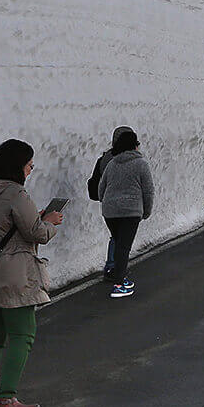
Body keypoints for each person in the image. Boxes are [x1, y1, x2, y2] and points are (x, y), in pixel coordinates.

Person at [0, 139, 63, 407]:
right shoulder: (16, 194)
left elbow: (5, 228)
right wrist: (51, 222)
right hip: (15, 276)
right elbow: (38, 234)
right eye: (28, 163)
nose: (31, 168)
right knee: (23, 335)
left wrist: (37, 219)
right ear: (17, 165)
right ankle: (7, 399)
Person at [96, 127, 155, 299]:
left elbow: (101, 188)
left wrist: (106, 202)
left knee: (118, 242)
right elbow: (148, 190)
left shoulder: (112, 163)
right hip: (130, 211)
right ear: (134, 145)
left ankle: (120, 276)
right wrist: (146, 211)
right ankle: (120, 283)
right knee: (124, 247)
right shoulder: (141, 164)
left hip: (110, 211)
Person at [86, 126, 132, 278]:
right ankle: (115, 267)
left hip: (108, 206)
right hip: (126, 205)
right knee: (122, 238)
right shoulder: (131, 160)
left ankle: (112, 265)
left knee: (117, 236)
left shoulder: (104, 159)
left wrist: (103, 197)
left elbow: (96, 183)